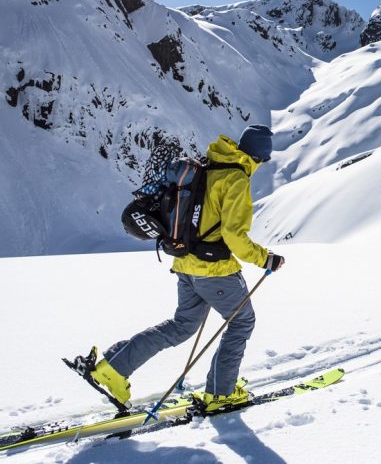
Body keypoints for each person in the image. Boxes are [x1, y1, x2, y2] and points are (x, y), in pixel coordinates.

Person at [88, 125, 285, 412]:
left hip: (185, 264)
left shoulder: (209, 165)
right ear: (260, 157)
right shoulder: (236, 178)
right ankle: (221, 394)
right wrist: (265, 258)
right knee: (242, 322)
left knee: (181, 326)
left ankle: (113, 367)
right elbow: (233, 235)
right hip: (214, 270)